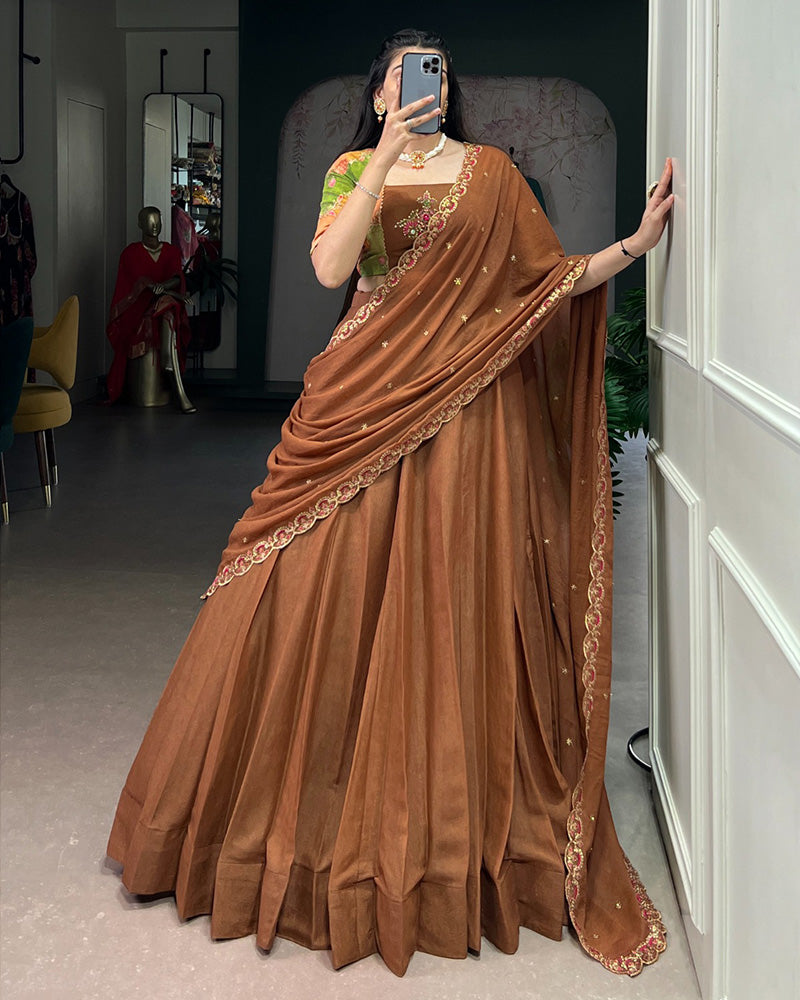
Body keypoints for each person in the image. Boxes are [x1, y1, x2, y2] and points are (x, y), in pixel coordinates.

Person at [107, 29, 673, 978]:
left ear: (450, 88)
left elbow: (543, 286)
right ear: (380, 95)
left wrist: (634, 245)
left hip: (462, 420)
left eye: (438, 71)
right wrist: (382, 161)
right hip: (357, 404)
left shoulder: (493, 176)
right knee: (291, 587)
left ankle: (446, 840)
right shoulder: (348, 173)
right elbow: (334, 272)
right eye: (409, 73)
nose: (426, 83)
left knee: (443, 597)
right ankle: (265, 828)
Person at [106, 206, 195, 412]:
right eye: (149, 220)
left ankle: (168, 362)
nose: (154, 225)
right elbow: (128, 287)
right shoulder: (131, 253)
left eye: (157, 220)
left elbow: (176, 277)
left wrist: (163, 287)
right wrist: (147, 285)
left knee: (168, 307)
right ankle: (178, 387)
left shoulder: (171, 251)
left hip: (165, 305)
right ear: (140, 224)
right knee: (165, 307)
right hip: (138, 309)